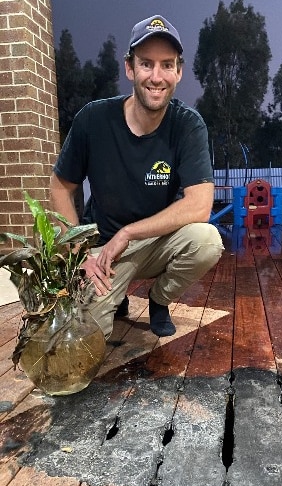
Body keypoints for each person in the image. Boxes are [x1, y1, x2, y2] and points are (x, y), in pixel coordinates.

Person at [50, 15, 223, 338]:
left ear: (178, 72)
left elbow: (200, 205)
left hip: (156, 242)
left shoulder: (188, 125)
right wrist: (79, 254)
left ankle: (159, 299)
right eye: (146, 64)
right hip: (105, 250)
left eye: (166, 65)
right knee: (86, 335)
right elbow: (60, 186)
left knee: (207, 241)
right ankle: (115, 299)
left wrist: (128, 233)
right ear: (129, 68)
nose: (156, 77)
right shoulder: (93, 120)